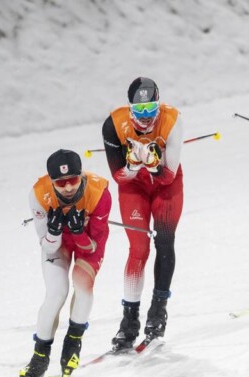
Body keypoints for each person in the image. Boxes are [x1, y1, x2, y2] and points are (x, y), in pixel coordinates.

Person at [101, 77, 184, 351]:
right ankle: (129, 321)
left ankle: (158, 312)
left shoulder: (172, 120)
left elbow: (168, 176)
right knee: (138, 248)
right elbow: (119, 177)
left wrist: (153, 163)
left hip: (166, 186)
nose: (146, 118)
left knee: (164, 240)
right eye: (140, 112)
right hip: (134, 185)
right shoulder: (113, 124)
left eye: (151, 110)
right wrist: (135, 166)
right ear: (130, 109)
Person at [21, 149, 111, 377]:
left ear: (82, 176)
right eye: (61, 183)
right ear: (52, 182)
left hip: (88, 242)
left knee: (82, 285)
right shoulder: (39, 194)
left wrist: (79, 231)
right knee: (56, 294)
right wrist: (53, 232)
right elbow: (48, 247)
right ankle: (40, 355)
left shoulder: (100, 192)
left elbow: (91, 245)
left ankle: (72, 345)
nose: (68, 187)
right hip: (58, 244)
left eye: (73, 179)